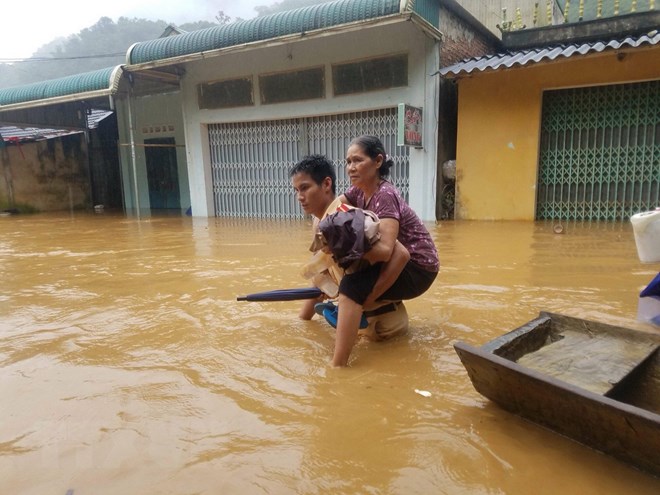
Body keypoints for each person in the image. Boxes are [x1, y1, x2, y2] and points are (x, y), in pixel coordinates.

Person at [330, 135, 439, 366]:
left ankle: (338, 365)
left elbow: (385, 251)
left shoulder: (385, 195)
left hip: (419, 268)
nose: (351, 168)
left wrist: (367, 296)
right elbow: (330, 211)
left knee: (351, 287)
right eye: (348, 162)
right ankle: (359, 313)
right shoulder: (358, 192)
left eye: (357, 160)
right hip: (401, 259)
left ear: (378, 161)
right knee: (346, 267)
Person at [290, 154, 411, 350]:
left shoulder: (347, 218)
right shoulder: (320, 222)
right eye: (296, 190)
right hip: (356, 322)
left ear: (327, 184)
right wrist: (302, 322)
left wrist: (364, 301)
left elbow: (400, 254)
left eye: (305, 188)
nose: (299, 197)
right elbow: (321, 275)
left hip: (382, 327)